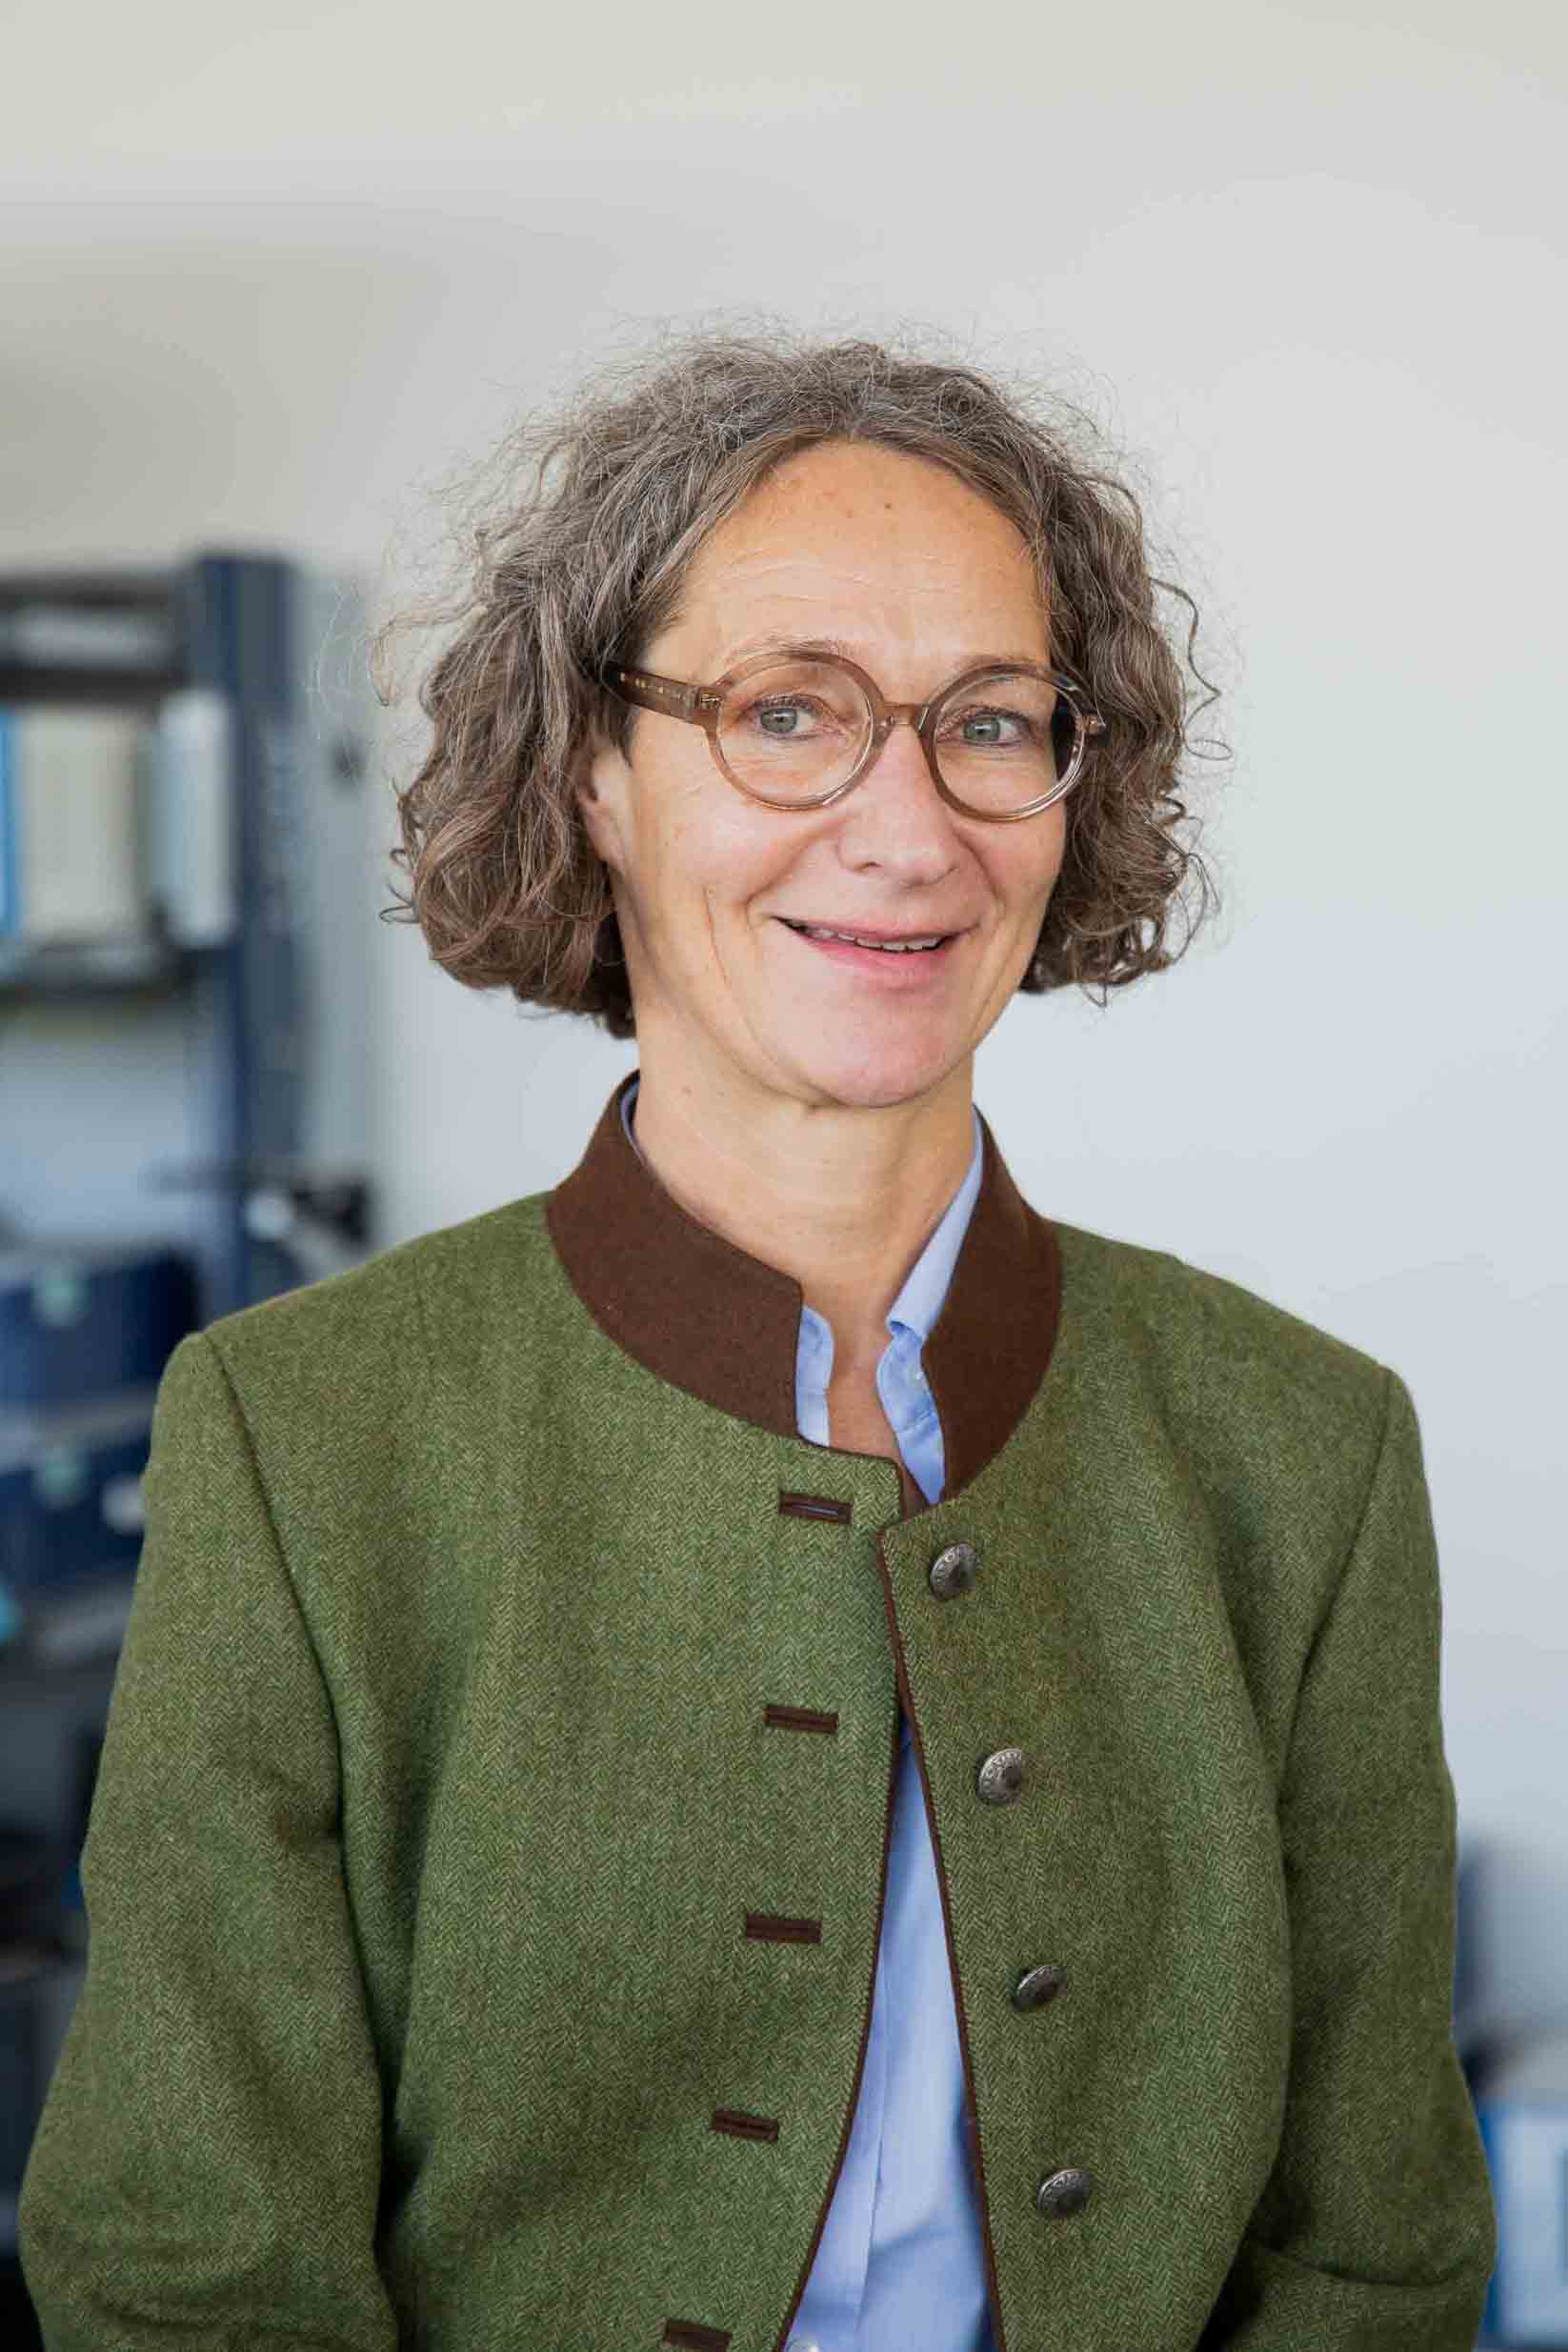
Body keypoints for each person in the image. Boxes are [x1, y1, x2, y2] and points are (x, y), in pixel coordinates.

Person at [19, 328, 1497, 2352]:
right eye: (788, 711)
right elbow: (188, 2282)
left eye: (990, 722)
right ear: (593, 774)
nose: (907, 829)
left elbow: (1378, 2258)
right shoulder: (306, 1435)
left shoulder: (1302, 1449)